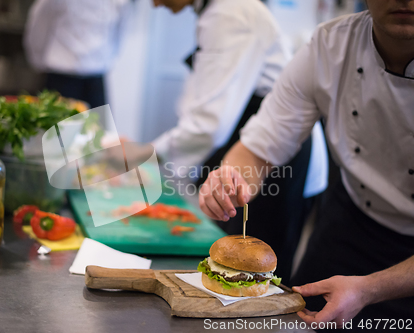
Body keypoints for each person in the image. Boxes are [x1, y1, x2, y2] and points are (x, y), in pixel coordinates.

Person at [198, 0, 414, 328]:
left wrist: (369, 289)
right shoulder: (330, 45)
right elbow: (259, 147)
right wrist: (229, 180)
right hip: (350, 221)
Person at [151, 0, 328, 281]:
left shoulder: (232, 13)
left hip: (278, 157)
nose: (154, 3)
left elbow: (210, 124)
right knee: (231, 258)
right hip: (248, 153)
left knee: (260, 268)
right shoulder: (216, 13)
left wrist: (149, 154)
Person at [24, 0, 131, 108]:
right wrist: (37, 61)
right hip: (61, 76)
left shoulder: (119, 2)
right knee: (57, 124)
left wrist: (107, 60)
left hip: (95, 79)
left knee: (98, 123)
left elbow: (120, 32)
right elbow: (39, 25)